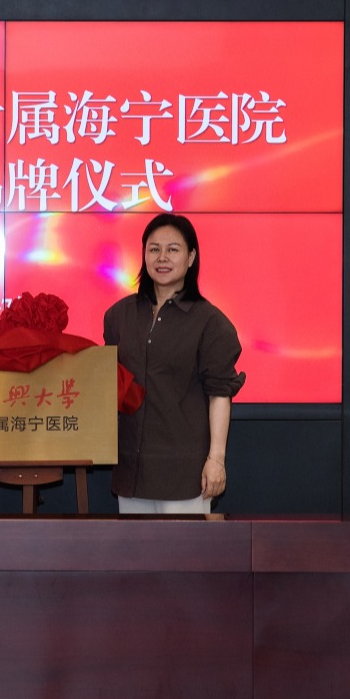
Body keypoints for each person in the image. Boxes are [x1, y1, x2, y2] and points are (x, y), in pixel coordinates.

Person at [102, 213, 245, 514]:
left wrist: (216, 460)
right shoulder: (119, 316)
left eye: (173, 249)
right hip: (132, 469)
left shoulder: (211, 323)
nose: (162, 258)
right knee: (134, 546)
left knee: (184, 547)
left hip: (185, 473)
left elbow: (220, 395)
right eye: (154, 249)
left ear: (191, 257)